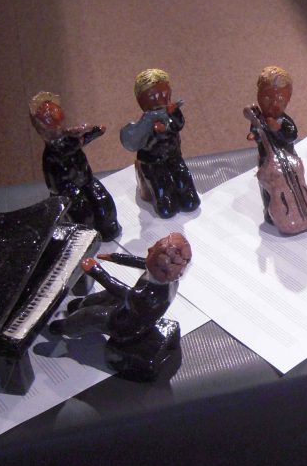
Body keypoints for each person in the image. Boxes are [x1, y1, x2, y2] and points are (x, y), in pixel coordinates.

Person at [51, 233, 191, 380]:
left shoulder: (150, 295)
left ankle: (65, 327)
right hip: (134, 311)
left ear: (160, 268)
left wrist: (95, 270)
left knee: (92, 315)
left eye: (153, 250)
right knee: (104, 296)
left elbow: (119, 289)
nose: (149, 249)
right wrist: (115, 257)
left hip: (127, 326)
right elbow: (140, 262)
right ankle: (81, 304)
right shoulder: (169, 279)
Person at [29, 91, 121, 241]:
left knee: (104, 204)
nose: (52, 113)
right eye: (47, 113)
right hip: (66, 188)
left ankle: (108, 228)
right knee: (82, 214)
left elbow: (78, 140)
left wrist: (92, 131)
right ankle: (85, 241)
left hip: (85, 179)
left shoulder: (69, 136)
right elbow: (68, 147)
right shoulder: (55, 147)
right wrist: (84, 133)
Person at [245, 66, 307, 233]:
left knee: (295, 182)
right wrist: (255, 134)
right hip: (267, 160)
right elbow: (256, 132)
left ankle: (302, 203)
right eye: (267, 98)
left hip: (288, 158)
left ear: (288, 100)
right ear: (258, 95)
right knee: (268, 187)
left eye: (280, 100)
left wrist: (278, 129)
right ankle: (270, 212)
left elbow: (292, 135)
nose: (273, 104)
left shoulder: (284, 120)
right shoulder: (258, 118)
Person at [120, 68, 200, 219]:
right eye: (154, 97)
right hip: (153, 163)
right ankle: (163, 199)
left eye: (165, 95)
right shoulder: (145, 122)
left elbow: (178, 125)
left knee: (189, 197)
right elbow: (139, 142)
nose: (160, 101)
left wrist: (174, 113)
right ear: (141, 101)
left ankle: (184, 194)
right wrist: (155, 131)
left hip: (174, 157)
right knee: (166, 205)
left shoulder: (169, 112)